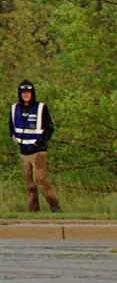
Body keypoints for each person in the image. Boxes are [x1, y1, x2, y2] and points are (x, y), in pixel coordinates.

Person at [8, 80, 62, 212]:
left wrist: (40, 142)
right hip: (23, 152)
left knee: (40, 180)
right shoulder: (14, 108)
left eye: (28, 92)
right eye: (23, 92)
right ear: (20, 93)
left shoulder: (41, 108)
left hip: (38, 152)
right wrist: (13, 136)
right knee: (29, 184)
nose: (26, 94)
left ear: (32, 93)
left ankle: (55, 207)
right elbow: (11, 125)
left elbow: (49, 128)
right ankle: (33, 210)